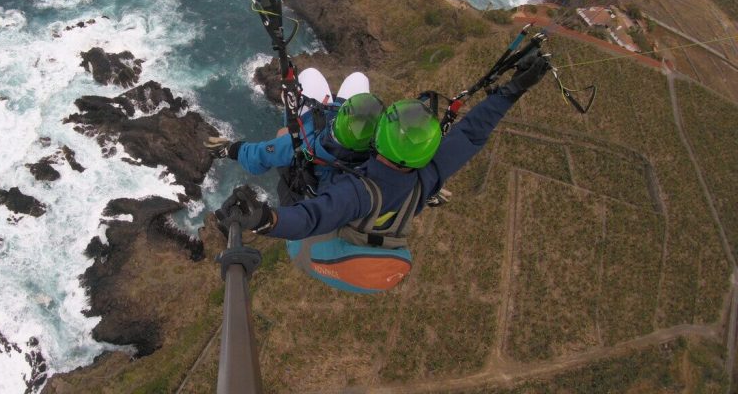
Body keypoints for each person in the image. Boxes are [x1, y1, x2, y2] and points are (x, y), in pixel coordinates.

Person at [214, 52, 551, 291]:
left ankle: (321, 102)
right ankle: (330, 99)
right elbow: (472, 132)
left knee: (289, 130)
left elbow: (310, 218)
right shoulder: (428, 173)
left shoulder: (358, 190)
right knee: (354, 80)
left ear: (378, 140)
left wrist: (264, 219)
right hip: (379, 214)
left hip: (316, 235)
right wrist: (512, 91)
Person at [204, 68, 384, 198]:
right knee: (359, 78)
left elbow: (259, 156)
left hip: (317, 132)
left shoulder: (308, 143)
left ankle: (318, 106)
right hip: (345, 137)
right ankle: (336, 107)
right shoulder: (378, 152)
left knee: (311, 74)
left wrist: (229, 149)